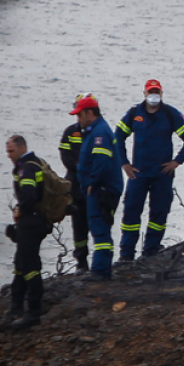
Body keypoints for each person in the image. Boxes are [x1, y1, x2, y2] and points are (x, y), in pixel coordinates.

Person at [114, 80, 184, 261]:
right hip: (138, 174)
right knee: (130, 212)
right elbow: (118, 136)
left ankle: (150, 252)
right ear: (144, 93)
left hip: (162, 174)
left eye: (157, 91)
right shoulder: (135, 113)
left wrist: (177, 161)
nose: (154, 95)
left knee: (159, 213)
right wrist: (124, 163)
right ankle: (126, 255)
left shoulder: (170, 113)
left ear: (161, 93)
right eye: (150, 91)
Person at [72, 94, 124, 281]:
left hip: (101, 190)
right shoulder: (95, 131)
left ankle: (100, 270)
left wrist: (92, 184)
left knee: (100, 229)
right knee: (101, 229)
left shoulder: (99, 133)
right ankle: (102, 268)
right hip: (101, 188)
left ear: (89, 113)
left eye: (79, 115)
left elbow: (101, 162)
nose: (78, 120)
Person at [4, 135, 49, 330]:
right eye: (7, 151)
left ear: (23, 148)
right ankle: (16, 306)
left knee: (29, 267)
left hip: (31, 223)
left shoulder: (27, 168)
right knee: (20, 264)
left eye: (11, 151)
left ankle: (33, 312)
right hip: (34, 221)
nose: (8, 155)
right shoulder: (33, 164)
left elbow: (29, 196)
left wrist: (20, 209)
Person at [58, 95, 90, 274]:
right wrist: (79, 166)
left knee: (98, 224)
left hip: (93, 186)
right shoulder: (70, 132)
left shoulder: (97, 131)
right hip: (76, 186)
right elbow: (65, 155)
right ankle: (81, 261)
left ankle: (103, 260)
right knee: (78, 227)